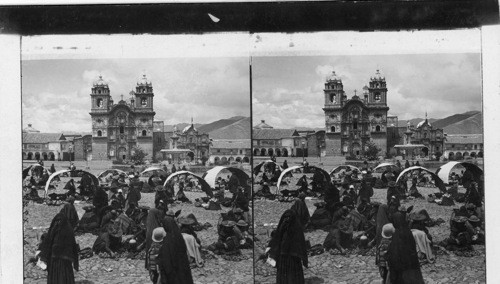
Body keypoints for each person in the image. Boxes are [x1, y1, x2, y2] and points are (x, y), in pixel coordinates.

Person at [39, 211, 79, 283]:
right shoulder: (66, 229)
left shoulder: (60, 229)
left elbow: (48, 241)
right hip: (60, 258)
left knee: (58, 275)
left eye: (59, 221)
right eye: (57, 221)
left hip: (60, 259)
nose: (58, 223)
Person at [269, 209, 308, 284]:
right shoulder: (282, 227)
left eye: (289, 217)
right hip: (283, 255)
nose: (287, 219)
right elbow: (277, 239)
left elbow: (301, 244)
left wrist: (302, 257)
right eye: (285, 217)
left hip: (293, 257)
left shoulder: (297, 229)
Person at [386, 212, 425, 284]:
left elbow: (394, 252)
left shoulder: (396, 234)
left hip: (400, 267)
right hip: (411, 264)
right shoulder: (408, 232)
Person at [158, 217, 194, 284]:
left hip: (171, 271)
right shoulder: (179, 237)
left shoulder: (166, 240)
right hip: (182, 267)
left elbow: (165, 258)